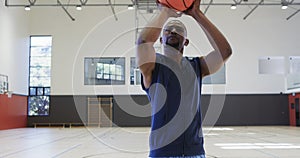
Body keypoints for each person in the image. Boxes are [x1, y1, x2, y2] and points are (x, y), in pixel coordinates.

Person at [136, 0, 232, 157]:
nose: (173, 31)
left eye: (178, 30)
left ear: (185, 41)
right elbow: (143, 42)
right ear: (160, 40)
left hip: (194, 151)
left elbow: (225, 52)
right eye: (168, 30)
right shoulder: (153, 67)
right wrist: (165, 12)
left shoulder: (197, 66)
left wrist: (197, 14)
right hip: (162, 152)